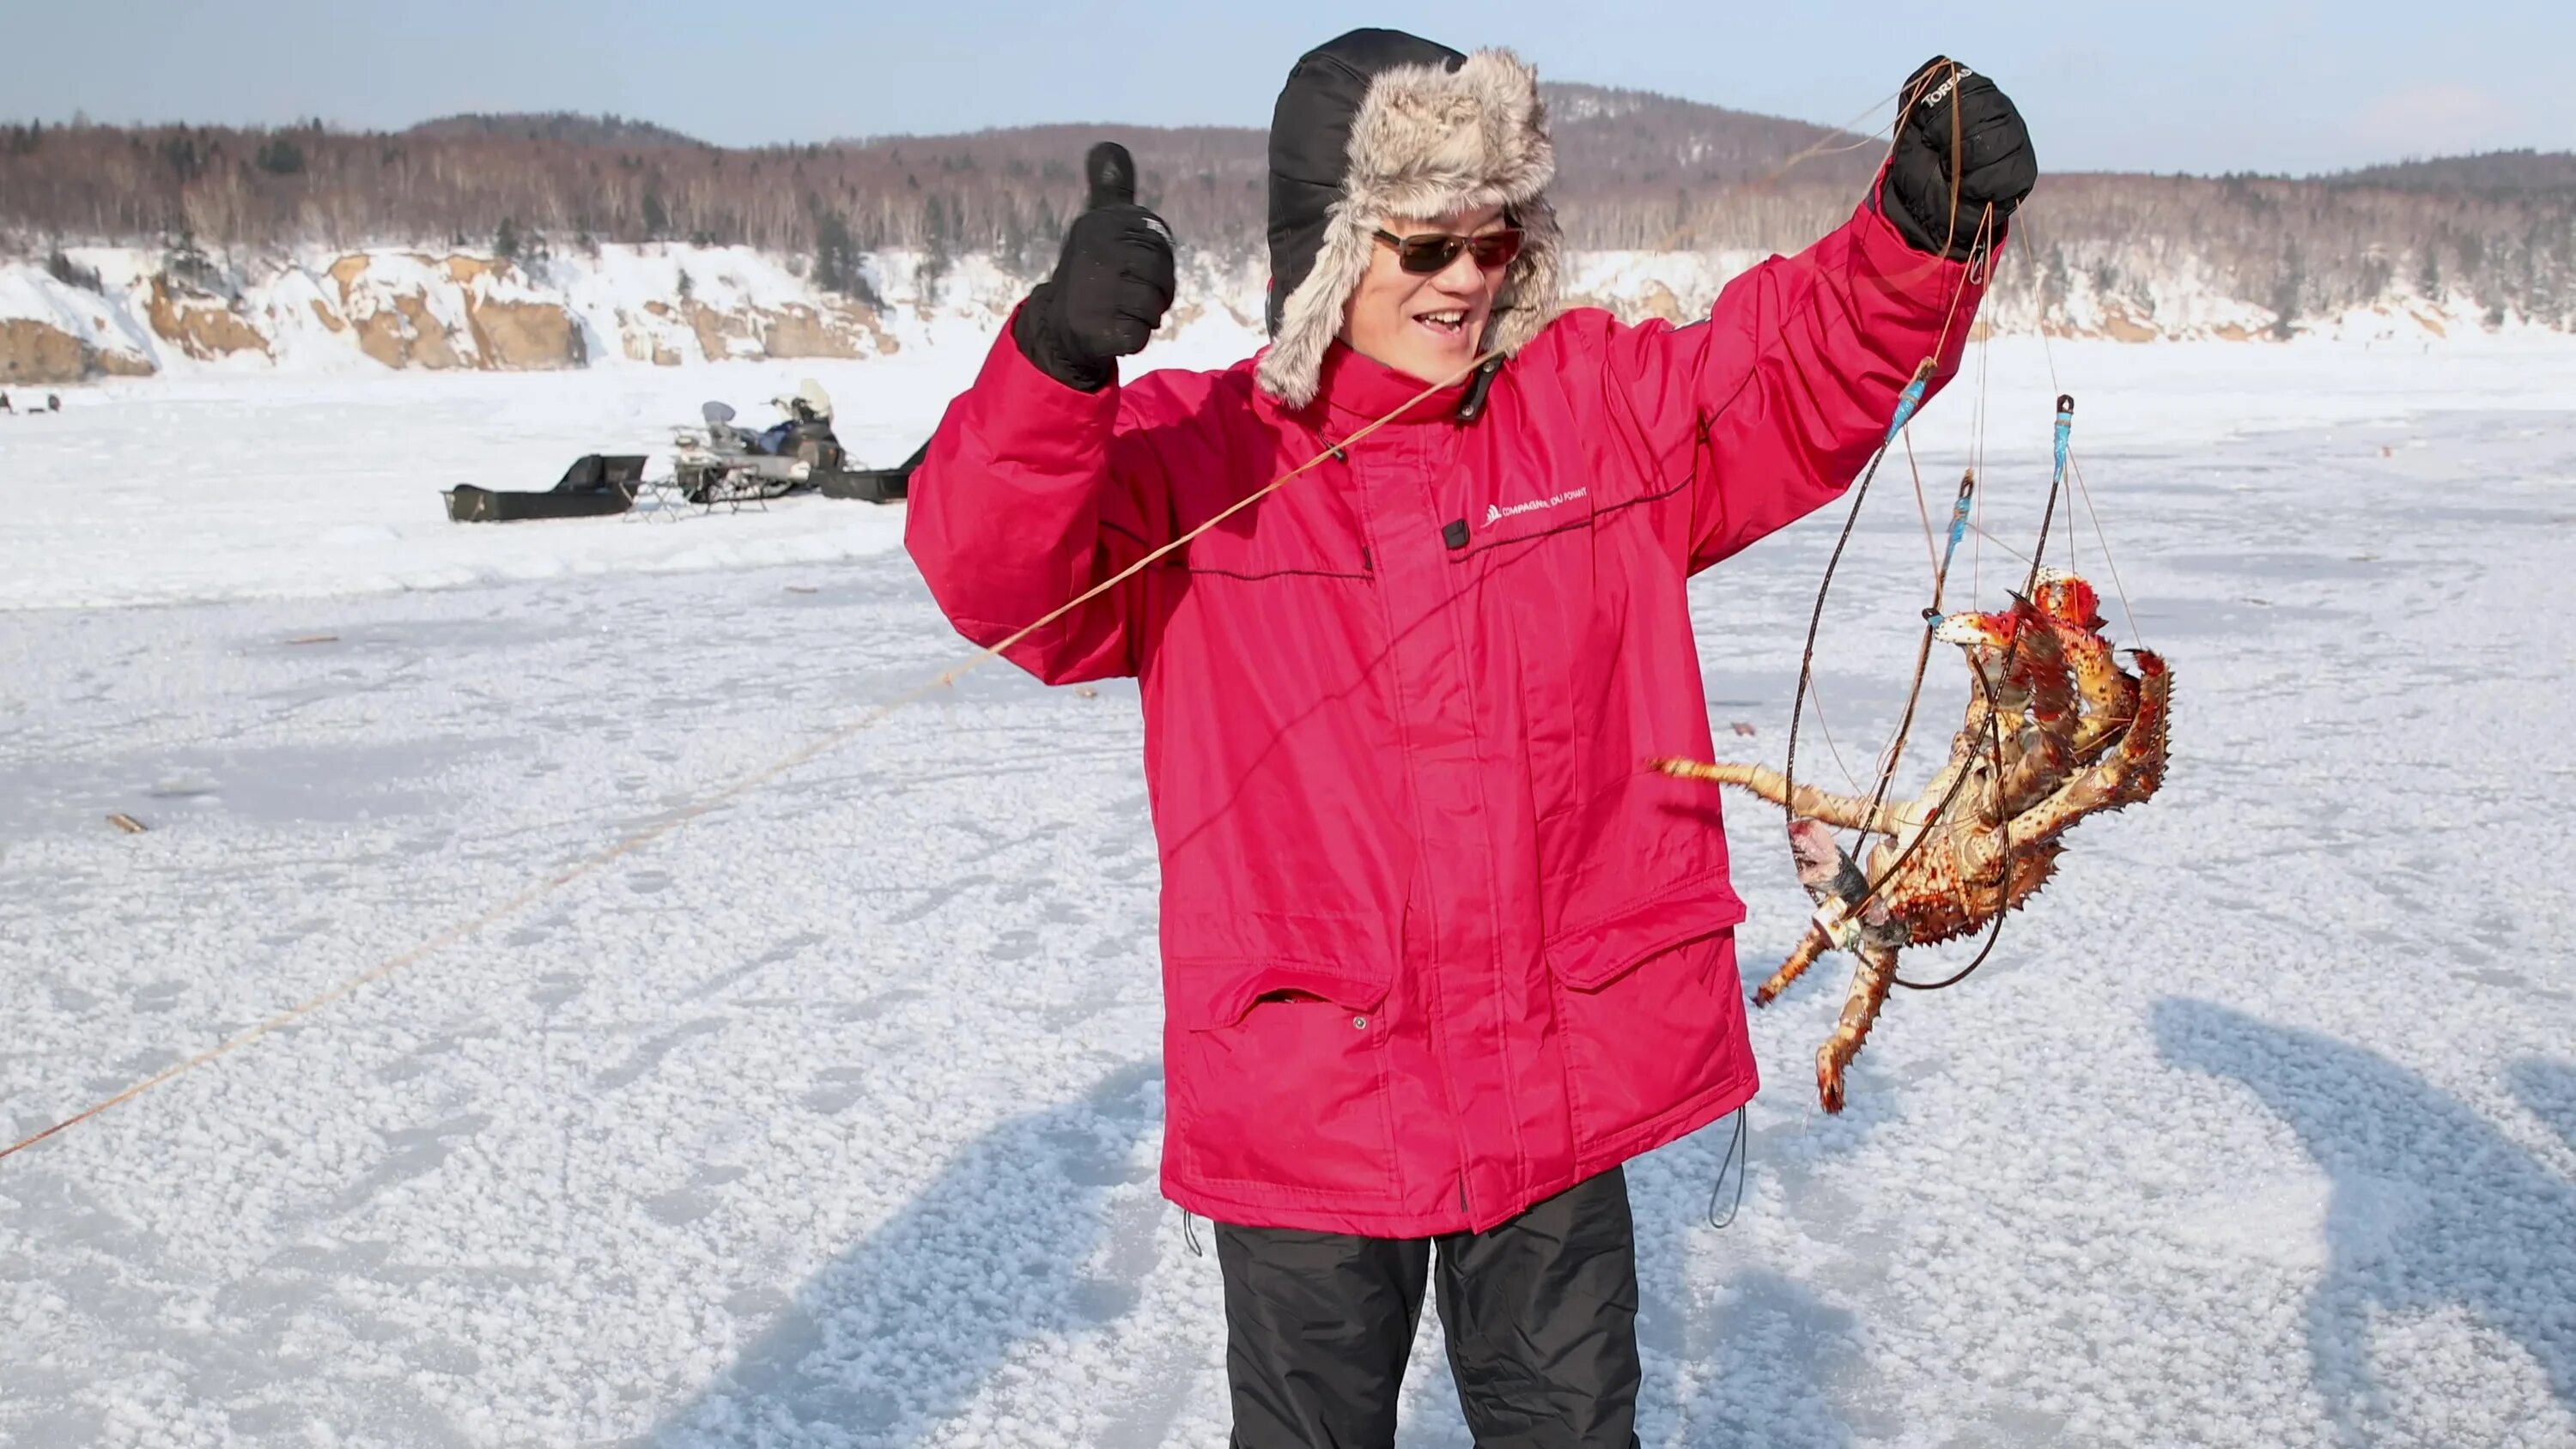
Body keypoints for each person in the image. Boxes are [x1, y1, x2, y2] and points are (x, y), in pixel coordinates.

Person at [907, 29, 2032, 1447]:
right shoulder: (1198, 456)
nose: (1465, 279)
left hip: (1552, 1092)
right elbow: (995, 578)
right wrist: (1054, 364)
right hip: (1311, 1109)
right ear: (1327, 248)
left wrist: (1919, 238)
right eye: (1422, 246)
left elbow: (1790, 374)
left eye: (1494, 240)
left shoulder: (1591, 409)